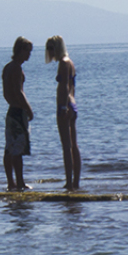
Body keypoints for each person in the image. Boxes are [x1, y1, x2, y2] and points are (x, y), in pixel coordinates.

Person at [46, 35, 80, 191]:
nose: (49, 52)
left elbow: (64, 87)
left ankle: (69, 182)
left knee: (67, 146)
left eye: (51, 49)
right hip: (72, 104)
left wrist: (62, 108)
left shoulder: (63, 64)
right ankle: (75, 182)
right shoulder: (70, 62)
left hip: (65, 105)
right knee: (73, 145)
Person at [2, 36, 33, 191]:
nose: (29, 55)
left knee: (10, 147)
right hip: (17, 111)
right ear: (21, 50)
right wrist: (28, 109)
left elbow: (6, 93)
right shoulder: (16, 68)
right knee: (17, 148)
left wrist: (12, 103)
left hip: (11, 111)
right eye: (28, 51)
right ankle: (19, 182)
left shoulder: (7, 67)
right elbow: (19, 92)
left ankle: (11, 182)